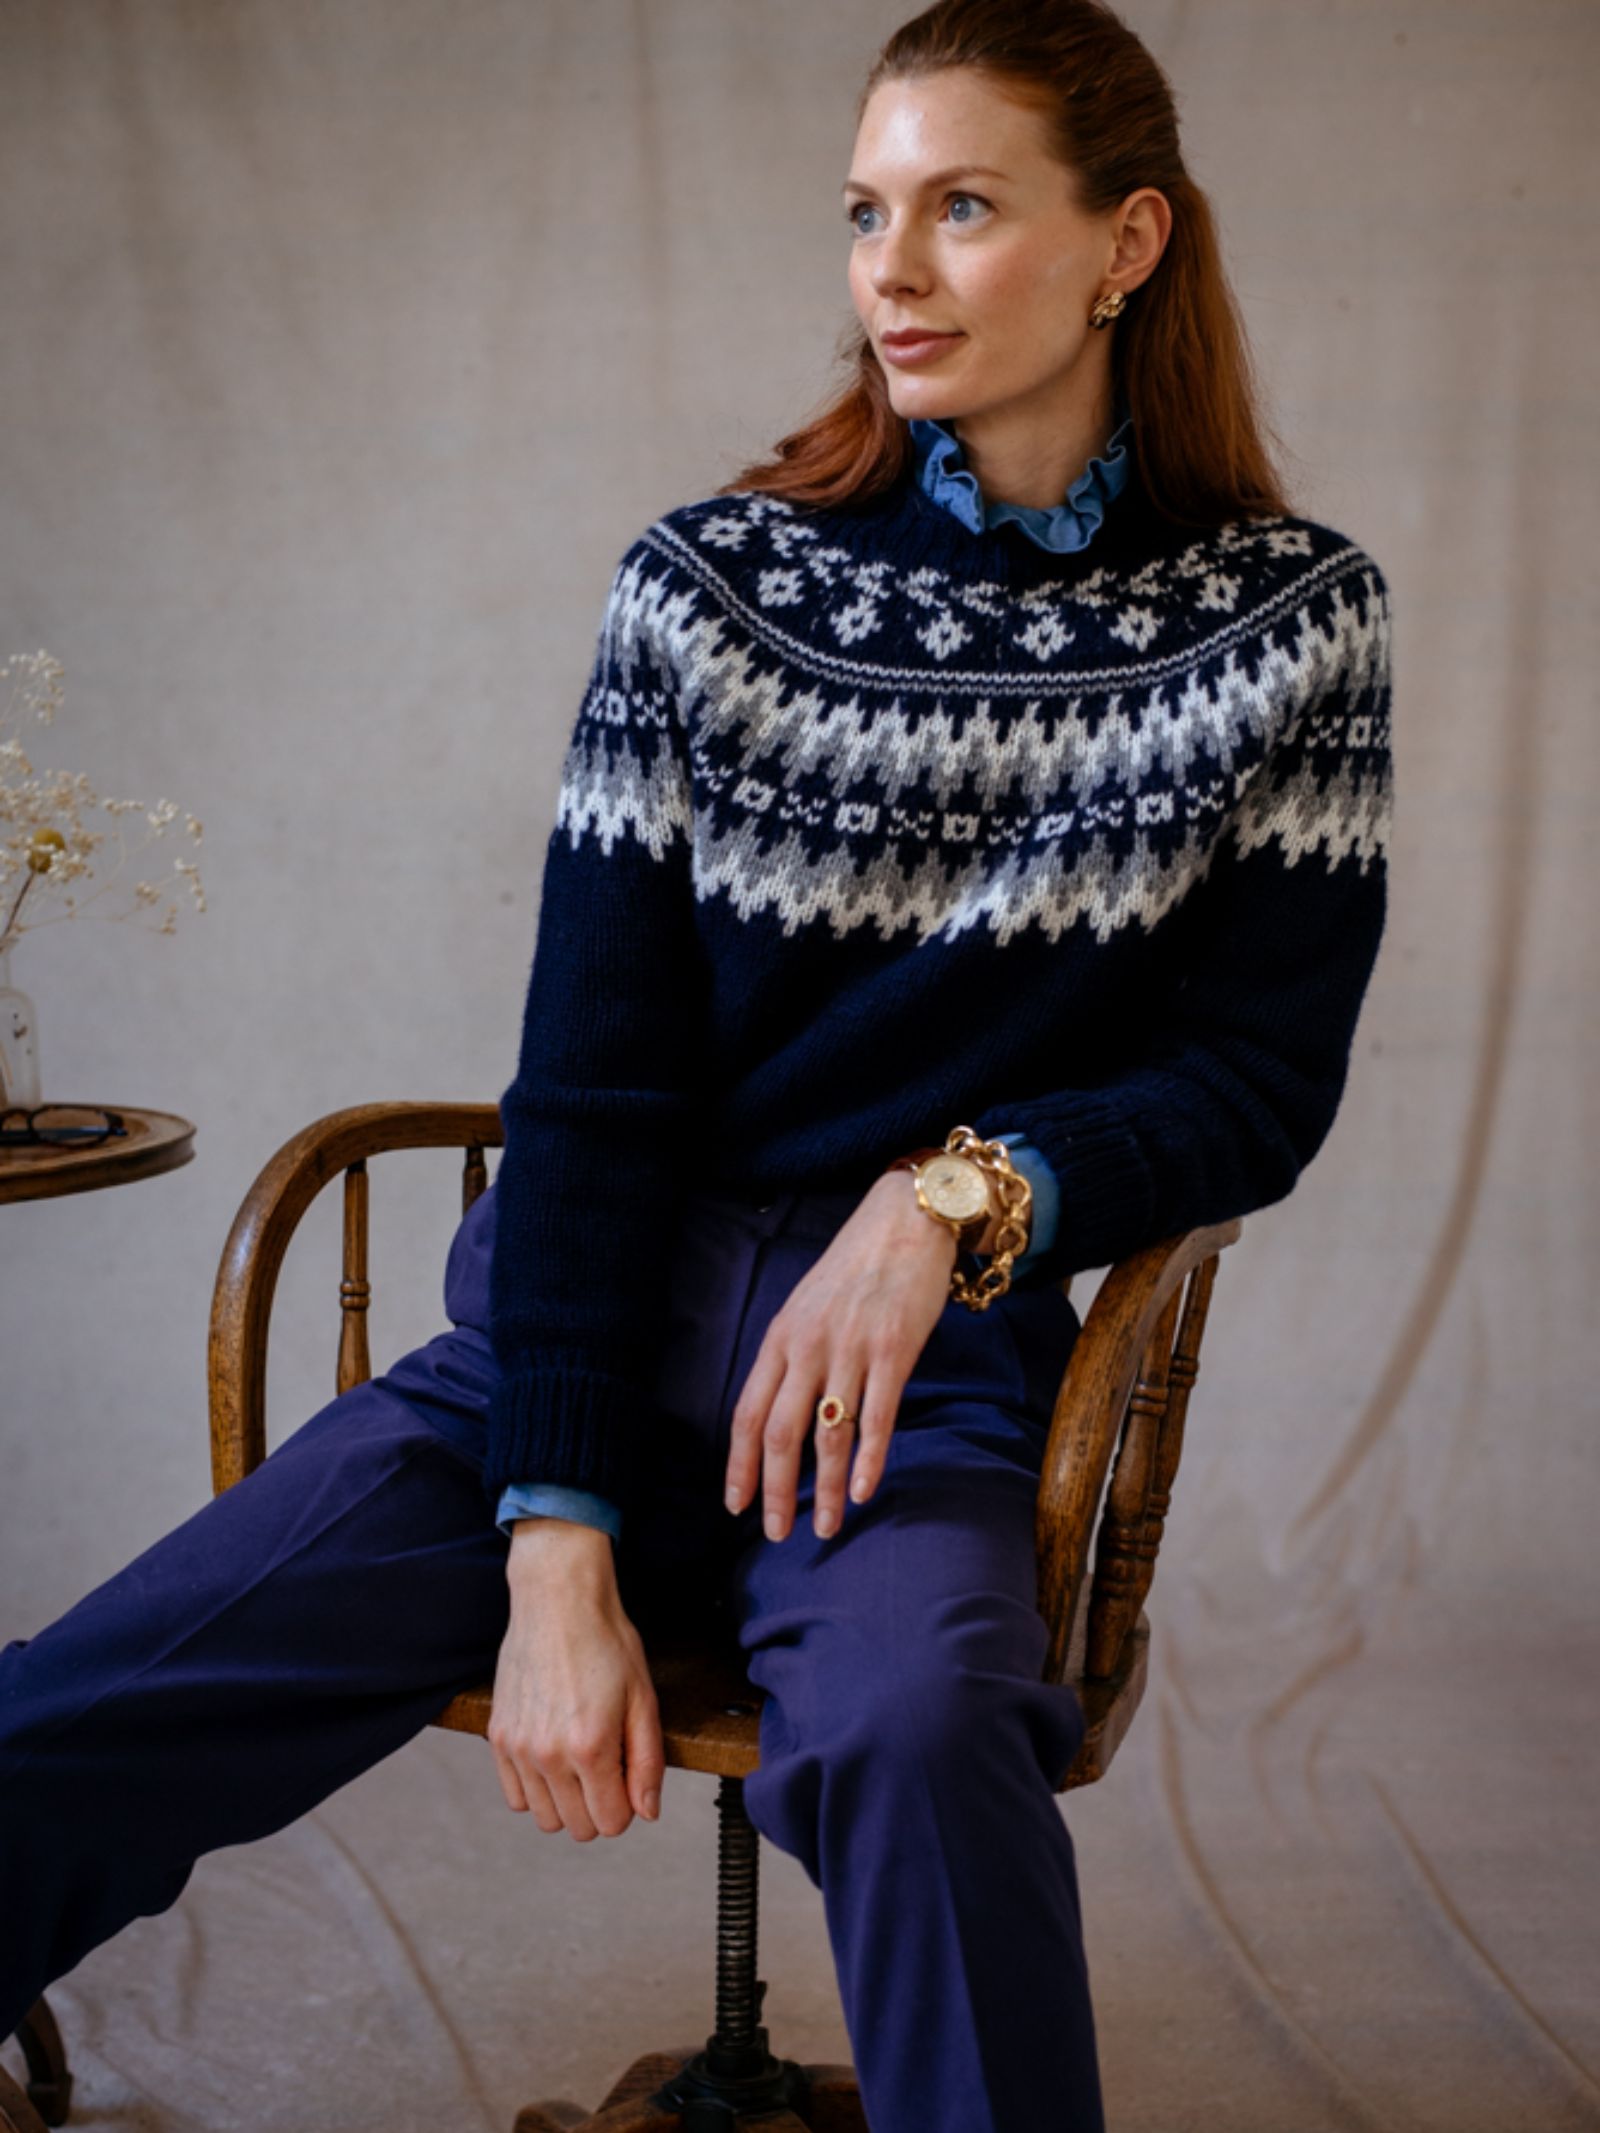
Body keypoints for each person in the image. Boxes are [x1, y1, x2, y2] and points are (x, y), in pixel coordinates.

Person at [0, 2, 1394, 2128]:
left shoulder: (1286, 621)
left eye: (958, 205)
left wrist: (959, 1199)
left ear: (1127, 241)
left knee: (926, 1736)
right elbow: (591, 1087)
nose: (889, 270)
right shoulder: (706, 591)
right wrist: (549, 1532)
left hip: (907, 1378)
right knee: (73, 1715)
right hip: (574, 1326)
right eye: (862, 212)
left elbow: (1253, 1077)